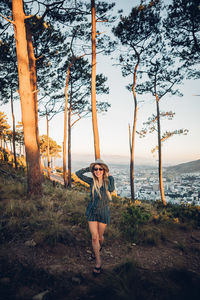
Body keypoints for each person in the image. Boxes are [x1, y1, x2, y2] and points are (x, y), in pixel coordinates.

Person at [75, 158, 115, 275]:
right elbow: (78, 174)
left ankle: (97, 249)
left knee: (100, 237)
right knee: (94, 237)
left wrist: (109, 176)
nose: (98, 171)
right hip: (92, 212)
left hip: (103, 213)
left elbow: (111, 189)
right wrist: (89, 168)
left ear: (104, 170)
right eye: (96, 169)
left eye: (100, 169)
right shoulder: (91, 181)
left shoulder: (109, 180)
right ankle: (98, 262)